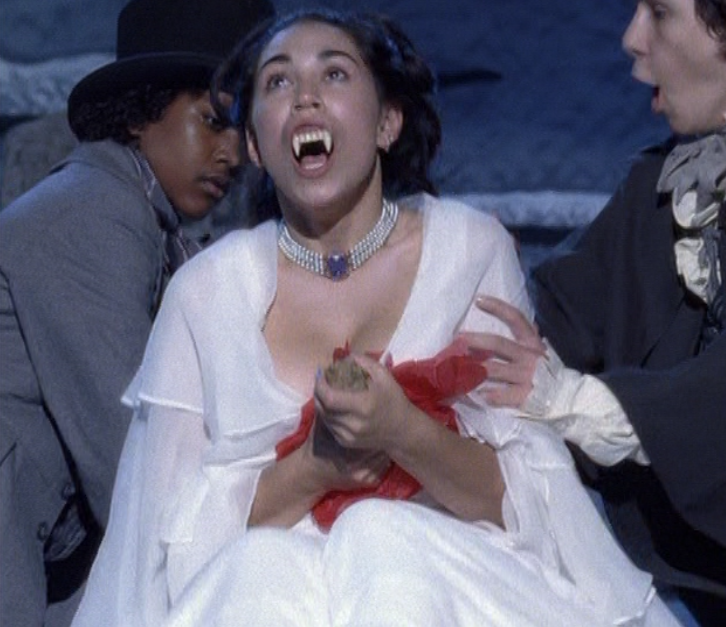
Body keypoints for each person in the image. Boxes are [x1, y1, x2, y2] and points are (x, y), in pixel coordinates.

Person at [70, 9, 682, 627]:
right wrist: (314, 468)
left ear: (388, 121)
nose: (305, 97)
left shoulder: (467, 251)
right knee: (261, 566)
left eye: (334, 74)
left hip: (437, 586)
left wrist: (403, 431)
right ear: (255, 143)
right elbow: (163, 548)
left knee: (382, 538)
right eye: (278, 82)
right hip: (260, 600)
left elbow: (525, 506)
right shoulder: (205, 293)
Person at [461, 1, 726, 626]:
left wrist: (572, 400)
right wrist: (461, 265)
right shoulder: (669, 179)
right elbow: (561, 311)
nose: (632, 39)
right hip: (687, 577)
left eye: (659, 11)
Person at [0, 1, 276, 625]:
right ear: (137, 114)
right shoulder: (93, 212)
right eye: (213, 122)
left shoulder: (143, 223)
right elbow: (129, 460)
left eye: (245, 133)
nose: (232, 154)